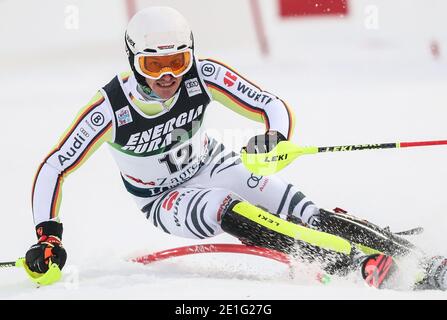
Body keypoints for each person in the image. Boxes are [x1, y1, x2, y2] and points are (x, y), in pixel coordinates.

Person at [25, 6, 447, 290]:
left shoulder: (203, 76)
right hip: (164, 198)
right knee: (223, 205)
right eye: (154, 65)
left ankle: (420, 261)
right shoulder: (110, 109)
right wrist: (48, 236)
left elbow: (270, 104)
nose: (168, 75)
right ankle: (354, 264)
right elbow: (54, 167)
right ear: (133, 59)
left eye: (178, 60)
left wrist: (273, 137)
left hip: (213, 162)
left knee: (300, 208)